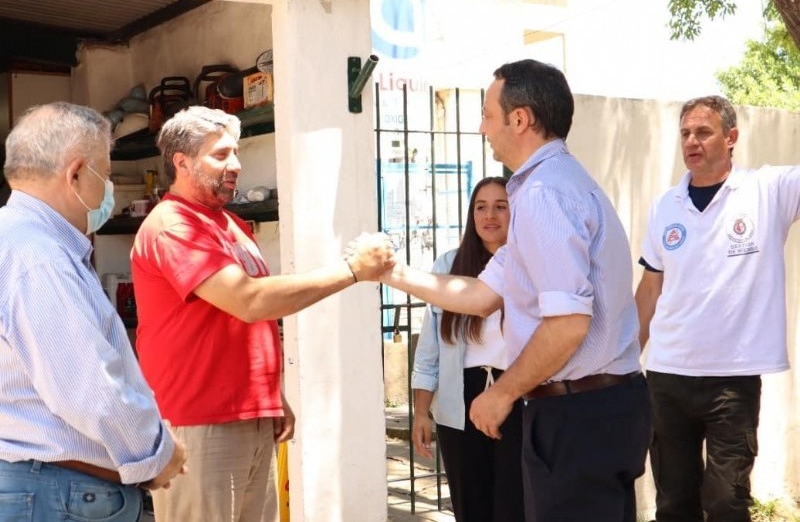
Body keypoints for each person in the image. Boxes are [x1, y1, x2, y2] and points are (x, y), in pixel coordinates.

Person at [380, 58, 651, 522]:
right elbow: (480, 295)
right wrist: (390, 273)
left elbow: (568, 324)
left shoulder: (544, 194)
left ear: (520, 118)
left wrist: (501, 392)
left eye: (488, 114)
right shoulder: (549, 187)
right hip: (596, 410)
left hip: (577, 415)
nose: (483, 127)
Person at [131, 105, 395, 522]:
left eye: (235, 153)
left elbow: (245, 325)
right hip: (199, 419)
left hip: (246, 415)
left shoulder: (229, 223)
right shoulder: (174, 224)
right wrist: (351, 271)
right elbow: (250, 301)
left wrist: (270, 398)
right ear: (180, 162)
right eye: (220, 155)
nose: (235, 164)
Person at [0, 102, 187, 522]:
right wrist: (158, 455)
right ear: (76, 174)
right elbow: (90, 388)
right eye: (105, 175)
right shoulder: (39, 258)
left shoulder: (13, 240)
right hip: (55, 492)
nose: (108, 192)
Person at [635, 95, 800, 522]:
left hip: (733, 379)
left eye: (703, 132)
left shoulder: (768, 190)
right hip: (668, 375)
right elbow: (651, 289)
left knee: (727, 501)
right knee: (674, 503)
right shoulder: (664, 206)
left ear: (731, 138)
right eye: (686, 133)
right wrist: (625, 359)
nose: (692, 141)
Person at [411, 175, 525, 522]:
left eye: (500, 207)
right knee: (470, 506)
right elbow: (430, 345)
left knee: (515, 504)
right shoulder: (449, 265)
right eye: (481, 207)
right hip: (459, 401)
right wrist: (420, 412)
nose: (489, 215)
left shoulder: (530, 263)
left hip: (517, 396)